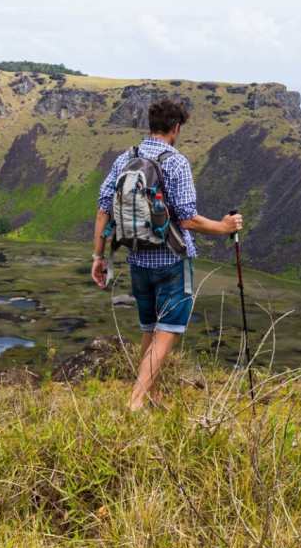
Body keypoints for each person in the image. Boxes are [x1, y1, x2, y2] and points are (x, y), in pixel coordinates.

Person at [90, 98, 245, 411]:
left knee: (150, 330)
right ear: (176, 128)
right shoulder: (176, 161)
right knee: (167, 331)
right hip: (172, 261)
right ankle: (134, 403)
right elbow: (187, 218)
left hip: (136, 259)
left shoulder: (125, 159)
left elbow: (103, 209)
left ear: (150, 125)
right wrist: (224, 226)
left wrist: (98, 257)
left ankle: (149, 395)